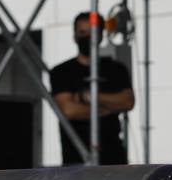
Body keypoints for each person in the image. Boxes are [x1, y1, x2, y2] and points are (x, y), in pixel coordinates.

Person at [49, 11, 135, 165]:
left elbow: (127, 102)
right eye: (82, 32)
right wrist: (109, 108)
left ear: (101, 35)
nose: (87, 37)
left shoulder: (116, 69)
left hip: (113, 159)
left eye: (92, 32)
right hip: (76, 159)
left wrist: (88, 97)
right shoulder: (61, 72)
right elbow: (69, 110)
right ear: (74, 36)